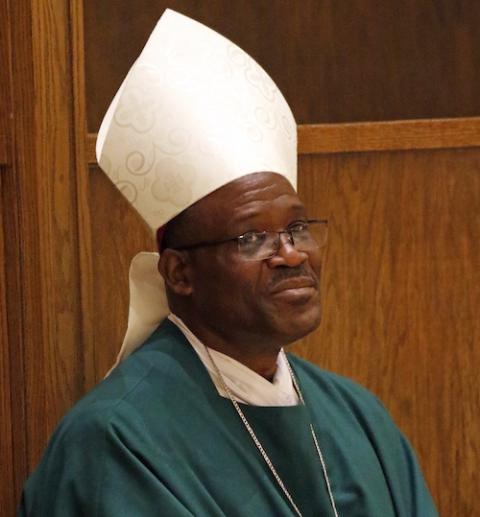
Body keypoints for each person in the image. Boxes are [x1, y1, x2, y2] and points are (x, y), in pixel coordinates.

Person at [19, 10, 438, 517]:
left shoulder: (359, 418)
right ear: (179, 274)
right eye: (252, 238)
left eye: (297, 229)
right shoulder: (116, 442)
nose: (291, 254)